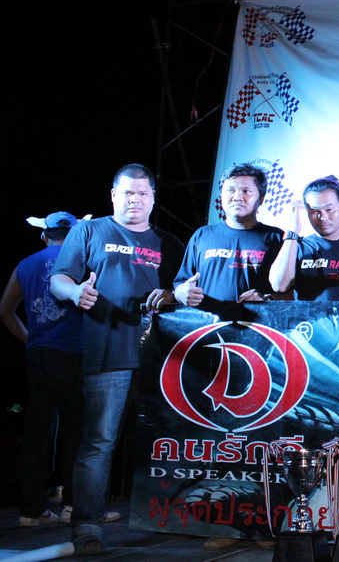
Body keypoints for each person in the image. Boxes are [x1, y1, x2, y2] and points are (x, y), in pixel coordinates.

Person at [50, 164, 183, 555]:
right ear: (113, 195)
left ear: (153, 198)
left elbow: (182, 292)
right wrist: (75, 293)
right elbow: (58, 279)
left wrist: (172, 296)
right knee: (99, 442)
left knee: (167, 445)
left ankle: (173, 519)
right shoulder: (89, 231)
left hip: (162, 360)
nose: (134, 200)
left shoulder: (170, 242)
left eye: (142, 193)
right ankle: (87, 526)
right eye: (127, 193)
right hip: (108, 354)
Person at [1, 213, 87, 527]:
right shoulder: (82, 261)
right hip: (75, 352)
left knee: (37, 432)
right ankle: (73, 506)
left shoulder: (25, 264)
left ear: (44, 235)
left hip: (40, 354)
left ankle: (31, 510)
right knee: (75, 431)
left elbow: (5, 311)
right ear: (74, 234)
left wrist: (31, 340)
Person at [174, 163, 283, 308]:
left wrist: (267, 298)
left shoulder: (277, 238)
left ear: (261, 199)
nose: (237, 197)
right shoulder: (202, 235)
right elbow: (181, 284)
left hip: (258, 321)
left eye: (246, 191)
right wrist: (180, 292)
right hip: (206, 321)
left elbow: (292, 292)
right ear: (221, 196)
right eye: (230, 190)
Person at [270, 177, 339, 301]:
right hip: (306, 314)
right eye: (314, 211)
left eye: (329, 209)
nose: (322, 217)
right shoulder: (297, 247)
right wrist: (292, 232)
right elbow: (279, 286)